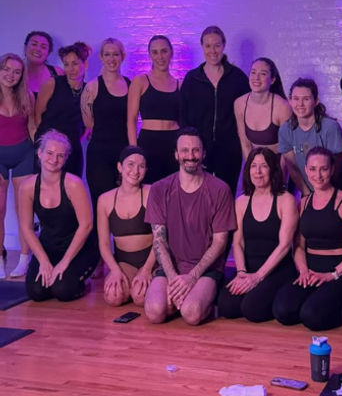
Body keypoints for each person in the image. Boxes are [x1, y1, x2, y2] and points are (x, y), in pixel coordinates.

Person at [143, 127, 236, 325]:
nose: (190, 156)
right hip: (172, 268)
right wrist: (174, 278)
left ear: (203, 154)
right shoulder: (159, 189)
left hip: (207, 269)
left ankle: (206, 300)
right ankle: (184, 297)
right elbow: (159, 242)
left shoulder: (220, 189)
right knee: (154, 312)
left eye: (195, 150)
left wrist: (192, 277)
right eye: (185, 150)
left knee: (191, 313)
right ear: (176, 154)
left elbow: (220, 242)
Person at [273, 147, 342, 330]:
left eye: (323, 169)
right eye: (313, 169)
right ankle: (316, 299)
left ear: (332, 170)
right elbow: (299, 246)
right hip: (311, 272)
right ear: (306, 170)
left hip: (339, 273)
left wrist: (332, 274)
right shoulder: (304, 202)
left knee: (312, 317)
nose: (318, 174)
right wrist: (303, 271)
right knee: (283, 311)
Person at [217, 147, 297, 322]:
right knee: (226, 306)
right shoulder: (241, 202)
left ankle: (278, 296)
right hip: (249, 268)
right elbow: (237, 243)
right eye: (253, 166)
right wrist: (242, 273)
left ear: (273, 170)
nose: (258, 172)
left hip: (276, 270)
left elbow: (284, 246)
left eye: (264, 166)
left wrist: (258, 277)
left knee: (252, 309)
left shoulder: (286, 200)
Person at [19, 130, 99, 301]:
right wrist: (43, 261)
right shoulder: (27, 187)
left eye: (60, 156)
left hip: (80, 248)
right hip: (50, 246)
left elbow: (87, 225)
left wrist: (65, 262)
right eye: (49, 153)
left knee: (62, 290)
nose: (54, 160)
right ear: (39, 153)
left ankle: (83, 281)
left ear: (65, 159)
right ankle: (55, 272)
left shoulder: (73, 184)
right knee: (36, 292)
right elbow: (26, 228)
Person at [180, 26, 250, 195]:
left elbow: (247, 112)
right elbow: (182, 115)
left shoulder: (238, 78)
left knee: (225, 194)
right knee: (198, 195)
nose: (213, 50)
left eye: (217, 45)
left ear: (224, 45)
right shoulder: (192, 79)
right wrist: (189, 145)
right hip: (198, 150)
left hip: (229, 150)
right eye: (208, 46)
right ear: (202, 47)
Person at [97, 146, 155, 306]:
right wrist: (115, 270)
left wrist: (147, 269)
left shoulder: (151, 193)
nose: (135, 171)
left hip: (151, 260)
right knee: (113, 297)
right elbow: (103, 243)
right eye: (130, 164)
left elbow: (161, 238)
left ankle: (141, 284)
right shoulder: (105, 200)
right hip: (124, 262)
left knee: (141, 297)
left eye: (141, 166)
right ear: (119, 166)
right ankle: (129, 284)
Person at [81, 38, 130, 217]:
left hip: (124, 153)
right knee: (101, 205)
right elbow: (88, 122)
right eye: (107, 54)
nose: (111, 58)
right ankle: (99, 245)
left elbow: (131, 120)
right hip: (99, 154)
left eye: (115, 54)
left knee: (123, 206)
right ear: (101, 57)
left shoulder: (130, 85)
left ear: (122, 56)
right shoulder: (92, 87)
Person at [279, 78, 342, 196]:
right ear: (290, 101)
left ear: (316, 101)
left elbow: (336, 166)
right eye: (296, 99)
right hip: (307, 192)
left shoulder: (330, 127)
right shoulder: (285, 130)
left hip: (334, 189)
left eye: (306, 99)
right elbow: (293, 167)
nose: (300, 104)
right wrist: (306, 193)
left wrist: (324, 195)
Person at [0, 53, 35, 278]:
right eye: (6, 69)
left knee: (24, 210)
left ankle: (24, 259)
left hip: (24, 153)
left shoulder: (28, 96)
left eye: (16, 71)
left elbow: (32, 127)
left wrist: (40, 153)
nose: (10, 75)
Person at [127, 35, 180, 184]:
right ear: (149, 55)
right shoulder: (140, 81)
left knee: (173, 190)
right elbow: (131, 120)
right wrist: (134, 150)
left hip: (173, 143)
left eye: (164, 51)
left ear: (171, 53)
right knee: (149, 191)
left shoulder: (179, 85)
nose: (160, 56)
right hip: (148, 143)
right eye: (155, 52)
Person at [35, 42, 91, 177]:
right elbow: (37, 114)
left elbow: (89, 123)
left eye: (75, 63)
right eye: (66, 64)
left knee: (70, 190)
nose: (71, 69)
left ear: (85, 64)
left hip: (72, 150)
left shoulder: (89, 90)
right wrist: (42, 142)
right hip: (48, 149)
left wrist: (79, 139)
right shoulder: (53, 83)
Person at [234, 57, 291, 160]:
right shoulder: (239, 104)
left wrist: (280, 175)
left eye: (263, 74)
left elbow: (287, 151)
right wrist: (250, 170)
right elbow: (245, 144)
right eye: (253, 72)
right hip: (255, 166)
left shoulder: (282, 107)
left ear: (272, 80)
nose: (256, 78)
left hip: (278, 165)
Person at [24, 31, 64, 98]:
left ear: (48, 53)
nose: (38, 49)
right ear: (25, 48)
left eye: (43, 47)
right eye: (34, 44)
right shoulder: (13, 71)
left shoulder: (58, 73)